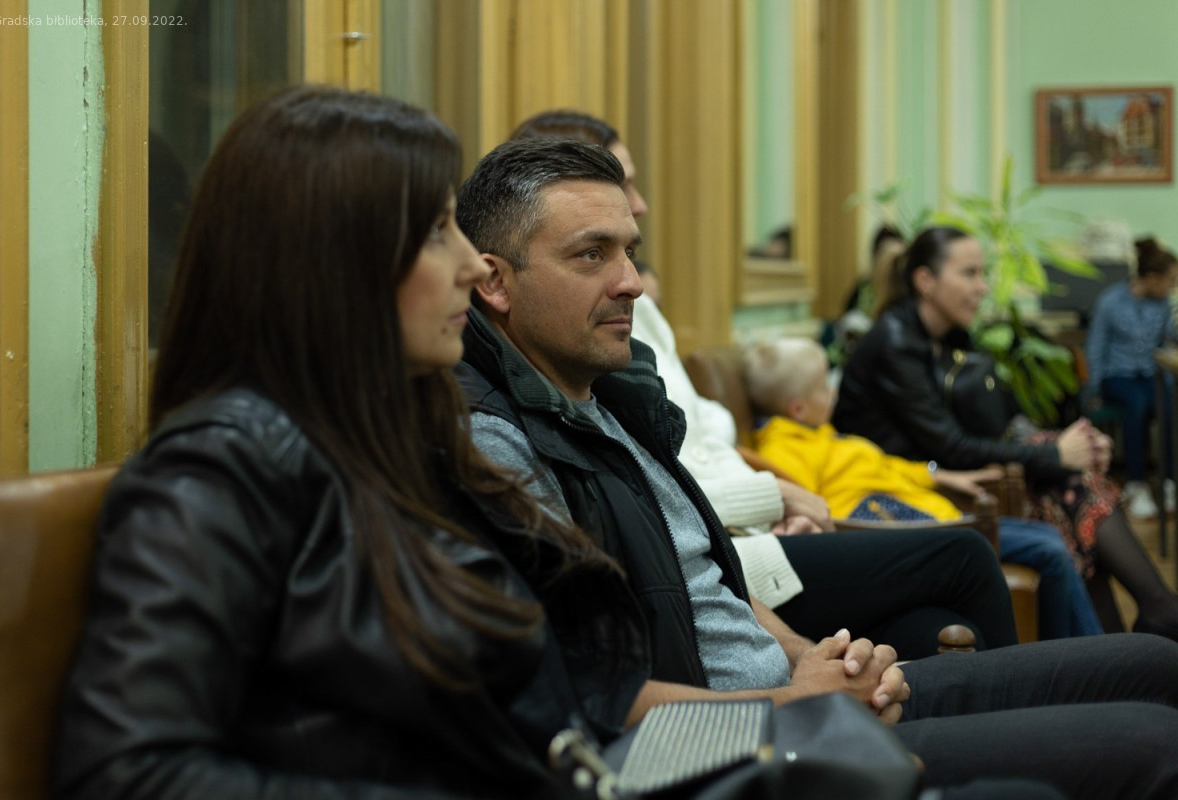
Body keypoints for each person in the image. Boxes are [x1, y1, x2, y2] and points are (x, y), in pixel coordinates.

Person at [454, 136, 1178, 800]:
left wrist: (816, 661)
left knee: (1153, 661)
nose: (632, 282)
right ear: (494, 281)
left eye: (630, 253)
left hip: (796, 703)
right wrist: (797, 702)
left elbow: (711, 583)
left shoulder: (607, 395)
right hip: (743, 751)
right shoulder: (495, 443)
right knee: (1153, 743)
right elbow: (595, 703)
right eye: (592, 255)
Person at [52, 87, 652, 800]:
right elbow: (125, 774)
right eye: (436, 232)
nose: (471, 266)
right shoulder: (217, 469)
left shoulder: (391, 437)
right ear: (335, 261)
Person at [509, 110, 1019, 657]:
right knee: (964, 557)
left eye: (628, 251)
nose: (639, 203)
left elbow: (694, 450)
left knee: (933, 626)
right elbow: (651, 500)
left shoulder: (633, 314)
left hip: (745, 530)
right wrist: (771, 500)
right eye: (593, 251)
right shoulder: (578, 347)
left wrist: (783, 498)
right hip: (731, 546)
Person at [834, 225, 1178, 641]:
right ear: (926, 280)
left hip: (943, 473)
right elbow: (951, 446)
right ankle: (1147, 620)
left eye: (982, 273)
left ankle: (1124, 641)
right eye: (969, 274)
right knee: (1068, 484)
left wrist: (1069, 445)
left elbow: (997, 422)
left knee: (1071, 485)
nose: (982, 287)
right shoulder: (895, 341)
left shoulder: (945, 335)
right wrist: (1056, 454)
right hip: (904, 490)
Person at [747, 337, 1103, 639]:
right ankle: (1082, 661)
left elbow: (887, 467)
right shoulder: (783, 449)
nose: (832, 391)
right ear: (798, 408)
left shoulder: (820, 434)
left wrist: (941, 476)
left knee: (1049, 536)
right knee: (1049, 550)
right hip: (898, 530)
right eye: (823, 387)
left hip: (931, 515)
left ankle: (1087, 654)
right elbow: (807, 506)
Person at [1085, 236, 1178, 518]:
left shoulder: (1164, 305)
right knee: (1136, 404)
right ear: (1152, 278)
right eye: (1171, 281)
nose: (1173, 287)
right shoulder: (1110, 302)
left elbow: (1169, 340)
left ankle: (1168, 481)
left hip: (1150, 374)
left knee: (1168, 404)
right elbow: (1095, 348)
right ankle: (1137, 484)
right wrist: (1093, 389)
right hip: (1117, 376)